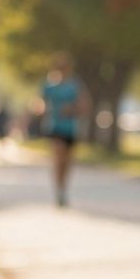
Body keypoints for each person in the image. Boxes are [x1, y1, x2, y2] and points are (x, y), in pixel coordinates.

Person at [41, 54, 87, 207]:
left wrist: (72, 109)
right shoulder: (49, 86)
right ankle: (58, 190)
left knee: (67, 162)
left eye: (65, 68)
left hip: (71, 128)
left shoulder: (74, 86)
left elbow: (84, 105)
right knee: (58, 158)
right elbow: (40, 102)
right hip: (55, 127)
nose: (63, 70)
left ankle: (64, 188)